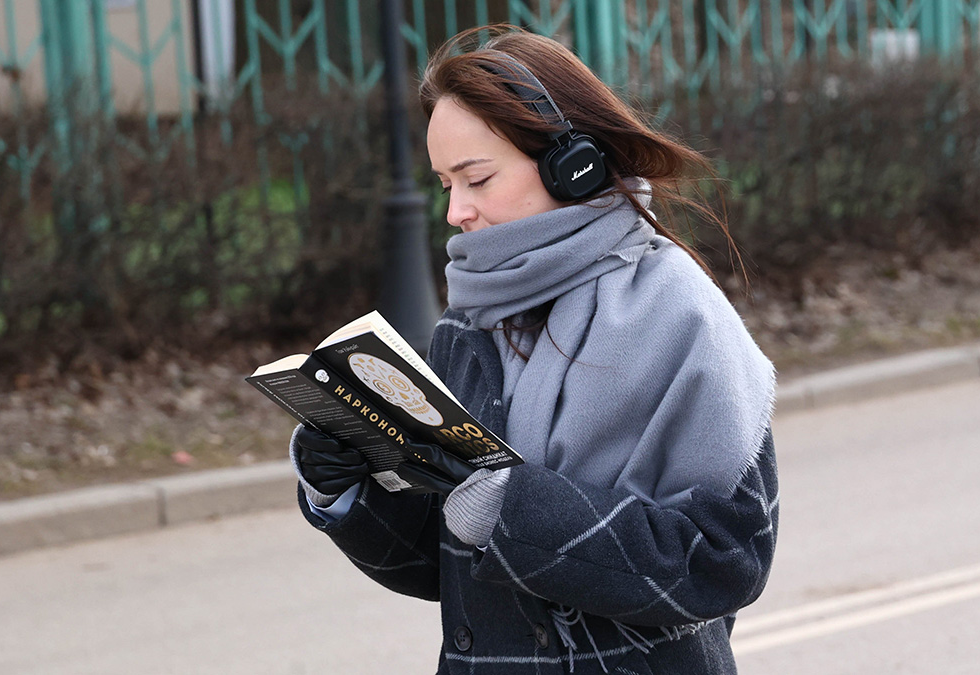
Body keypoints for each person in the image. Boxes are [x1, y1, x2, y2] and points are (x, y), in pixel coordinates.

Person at [289, 24, 779, 674]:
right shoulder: (468, 322)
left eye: (477, 178)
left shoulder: (680, 312)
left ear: (571, 167)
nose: (455, 211)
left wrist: (508, 506)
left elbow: (725, 560)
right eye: (444, 184)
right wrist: (345, 488)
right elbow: (447, 567)